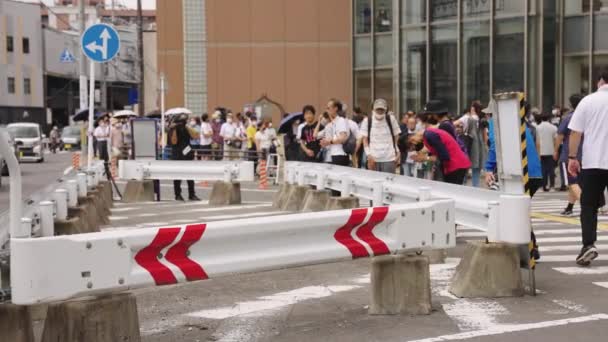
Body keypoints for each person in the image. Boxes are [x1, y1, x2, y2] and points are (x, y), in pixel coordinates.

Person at [485, 102, 543, 260]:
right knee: (520, 210)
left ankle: (527, 249)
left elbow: (494, 145)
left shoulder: (495, 121)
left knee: (511, 209)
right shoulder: (520, 123)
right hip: (534, 172)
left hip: (520, 173)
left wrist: (489, 168)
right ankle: (532, 247)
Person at [568, 70, 608, 266]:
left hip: (594, 163)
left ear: (600, 81)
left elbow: (576, 133)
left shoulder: (588, 101)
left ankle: (588, 245)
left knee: (589, 205)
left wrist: (572, 157)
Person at [409, 101, 471, 185]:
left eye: (429, 115)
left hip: (455, 164)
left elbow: (444, 151)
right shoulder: (446, 124)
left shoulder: (444, 126)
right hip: (458, 162)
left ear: (435, 114)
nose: (428, 117)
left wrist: (425, 157)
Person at [554, 94, 584, 216]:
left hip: (569, 155)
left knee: (572, 183)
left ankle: (587, 206)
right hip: (584, 155)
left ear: (571, 104)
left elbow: (560, 136)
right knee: (575, 182)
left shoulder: (568, 118)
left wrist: (555, 150)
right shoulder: (586, 117)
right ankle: (569, 207)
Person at [360, 99, 401, 174]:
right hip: (373, 159)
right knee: (374, 183)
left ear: (385, 110)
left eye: (382, 109)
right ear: (373, 109)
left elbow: (396, 136)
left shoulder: (391, 119)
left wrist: (397, 151)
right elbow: (364, 140)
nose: (379, 111)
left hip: (389, 159)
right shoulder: (367, 120)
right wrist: (368, 155)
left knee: (389, 183)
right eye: (377, 109)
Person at [168, 113, 201, 201]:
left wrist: (186, 126)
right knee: (177, 176)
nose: (182, 123)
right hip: (177, 155)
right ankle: (178, 195)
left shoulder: (186, 128)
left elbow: (196, 136)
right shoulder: (172, 129)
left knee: (190, 176)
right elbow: (174, 141)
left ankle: (192, 194)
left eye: (184, 121)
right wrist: (174, 128)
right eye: (182, 121)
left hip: (187, 154)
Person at [458, 102, 486, 187]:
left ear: (473, 109)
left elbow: (455, 124)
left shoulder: (468, 118)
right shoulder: (483, 120)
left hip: (469, 144)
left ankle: (462, 185)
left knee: (465, 166)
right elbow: (485, 137)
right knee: (476, 168)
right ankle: (475, 187)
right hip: (479, 146)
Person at [317, 99, 350, 167]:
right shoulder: (333, 122)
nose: (327, 110)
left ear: (335, 108)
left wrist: (329, 142)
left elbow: (343, 137)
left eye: (328, 108)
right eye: (326, 108)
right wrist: (326, 142)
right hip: (334, 154)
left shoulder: (341, 120)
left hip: (340, 154)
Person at [536, 114, 558, 191]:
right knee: (551, 169)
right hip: (551, 151)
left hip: (541, 151)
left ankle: (543, 186)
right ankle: (552, 186)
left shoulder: (538, 128)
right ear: (549, 119)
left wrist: (538, 153)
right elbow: (555, 140)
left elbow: (537, 142)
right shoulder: (553, 128)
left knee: (543, 170)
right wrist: (556, 151)